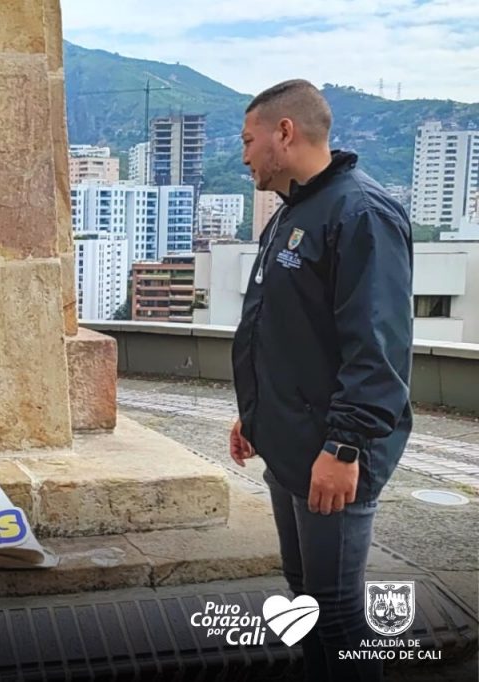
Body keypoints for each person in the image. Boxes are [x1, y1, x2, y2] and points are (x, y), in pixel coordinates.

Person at [230, 79, 413, 682]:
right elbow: (281, 328)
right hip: (289, 444)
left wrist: (345, 446)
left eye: (249, 139)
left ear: (285, 133)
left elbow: (377, 348)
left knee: (336, 615)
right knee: (306, 600)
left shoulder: (361, 213)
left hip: (332, 452)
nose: (245, 153)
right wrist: (252, 412)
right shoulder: (294, 211)